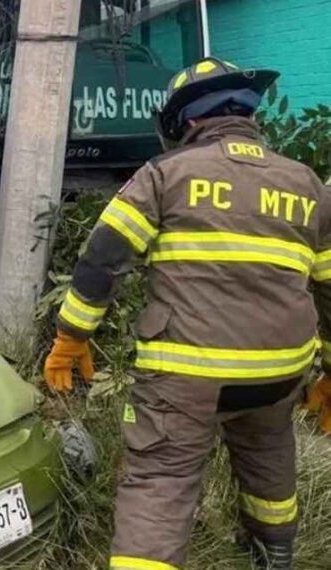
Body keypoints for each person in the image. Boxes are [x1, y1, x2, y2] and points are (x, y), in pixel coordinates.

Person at [44, 58, 328, 570]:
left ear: (185, 122)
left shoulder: (164, 175)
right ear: (247, 117)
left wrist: (71, 338)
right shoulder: (306, 184)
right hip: (279, 372)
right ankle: (275, 554)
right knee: (269, 455)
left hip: (187, 373)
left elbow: (102, 259)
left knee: (160, 478)